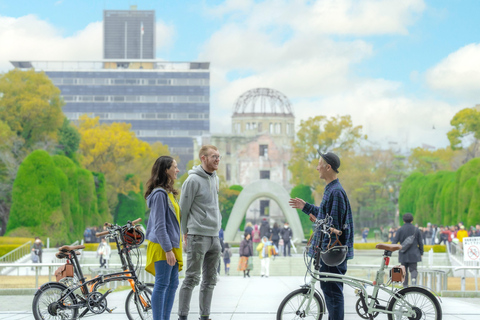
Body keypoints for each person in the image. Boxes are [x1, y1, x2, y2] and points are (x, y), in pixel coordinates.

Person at [289, 151, 354, 320]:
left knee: (333, 294)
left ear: (328, 167)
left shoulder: (336, 192)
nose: (317, 167)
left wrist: (323, 250)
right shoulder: (331, 190)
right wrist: (306, 207)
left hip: (331, 253)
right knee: (330, 292)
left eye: (319, 164)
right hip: (327, 252)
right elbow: (327, 216)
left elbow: (334, 227)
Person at [178, 145, 222, 320]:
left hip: (214, 236)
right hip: (197, 236)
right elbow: (183, 209)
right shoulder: (192, 181)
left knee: (210, 280)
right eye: (214, 156)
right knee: (191, 278)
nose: (217, 159)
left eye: (218, 156)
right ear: (203, 158)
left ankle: (205, 316)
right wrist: (184, 233)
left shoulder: (215, 178)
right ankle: (182, 316)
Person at [144, 155, 183, 320]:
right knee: (162, 285)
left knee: (173, 284)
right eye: (174, 167)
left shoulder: (168, 193)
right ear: (165, 170)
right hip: (162, 246)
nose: (177, 170)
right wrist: (168, 250)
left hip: (170, 245)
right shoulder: (160, 194)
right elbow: (160, 226)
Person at [392, 213, 423, 287]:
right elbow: (420, 243)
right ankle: (413, 281)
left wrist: (390, 251)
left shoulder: (400, 230)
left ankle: (405, 286)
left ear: (403, 220)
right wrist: (421, 252)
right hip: (414, 254)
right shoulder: (416, 230)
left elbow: (394, 242)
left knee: (403, 271)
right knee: (413, 269)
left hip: (403, 253)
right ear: (412, 220)